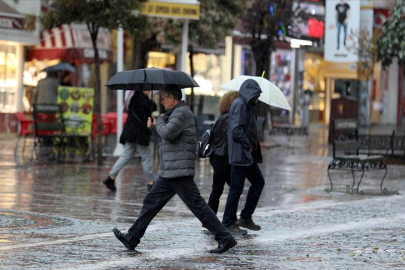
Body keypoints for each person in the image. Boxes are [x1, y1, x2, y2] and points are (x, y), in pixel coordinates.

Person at [112, 85, 237, 254]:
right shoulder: (174, 114)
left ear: (172, 98)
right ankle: (132, 237)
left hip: (178, 170)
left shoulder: (182, 113)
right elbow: (166, 134)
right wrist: (156, 124)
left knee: (198, 206)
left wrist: (160, 121)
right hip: (170, 170)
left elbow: (168, 132)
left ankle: (225, 238)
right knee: (151, 202)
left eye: (163, 99)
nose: (161, 102)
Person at [222, 79, 265, 232]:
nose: (258, 98)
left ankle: (245, 217)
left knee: (257, 183)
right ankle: (228, 221)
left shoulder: (248, 105)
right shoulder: (240, 105)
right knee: (236, 189)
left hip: (246, 155)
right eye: (256, 95)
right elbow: (236, 130)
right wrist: (248, 146)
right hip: (241, 154)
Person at [206, 91, 248, 234]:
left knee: (217, 190)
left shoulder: (222, 117)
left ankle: (209, 222)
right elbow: (231, 138)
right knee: (234, 189)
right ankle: (228, 221)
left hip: (217, 157)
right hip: (225, 158)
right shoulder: (230, 118)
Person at [103, 91, 157, 192]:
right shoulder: (144, 99)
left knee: (126, 155)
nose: (149, 90)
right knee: (146, 156)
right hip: (139, 133)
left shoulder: (133, 98)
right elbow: (154, 106)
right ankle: (151, 182)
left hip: (130, 131)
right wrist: (149, 98)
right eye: (147, 89)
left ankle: (111, 176)